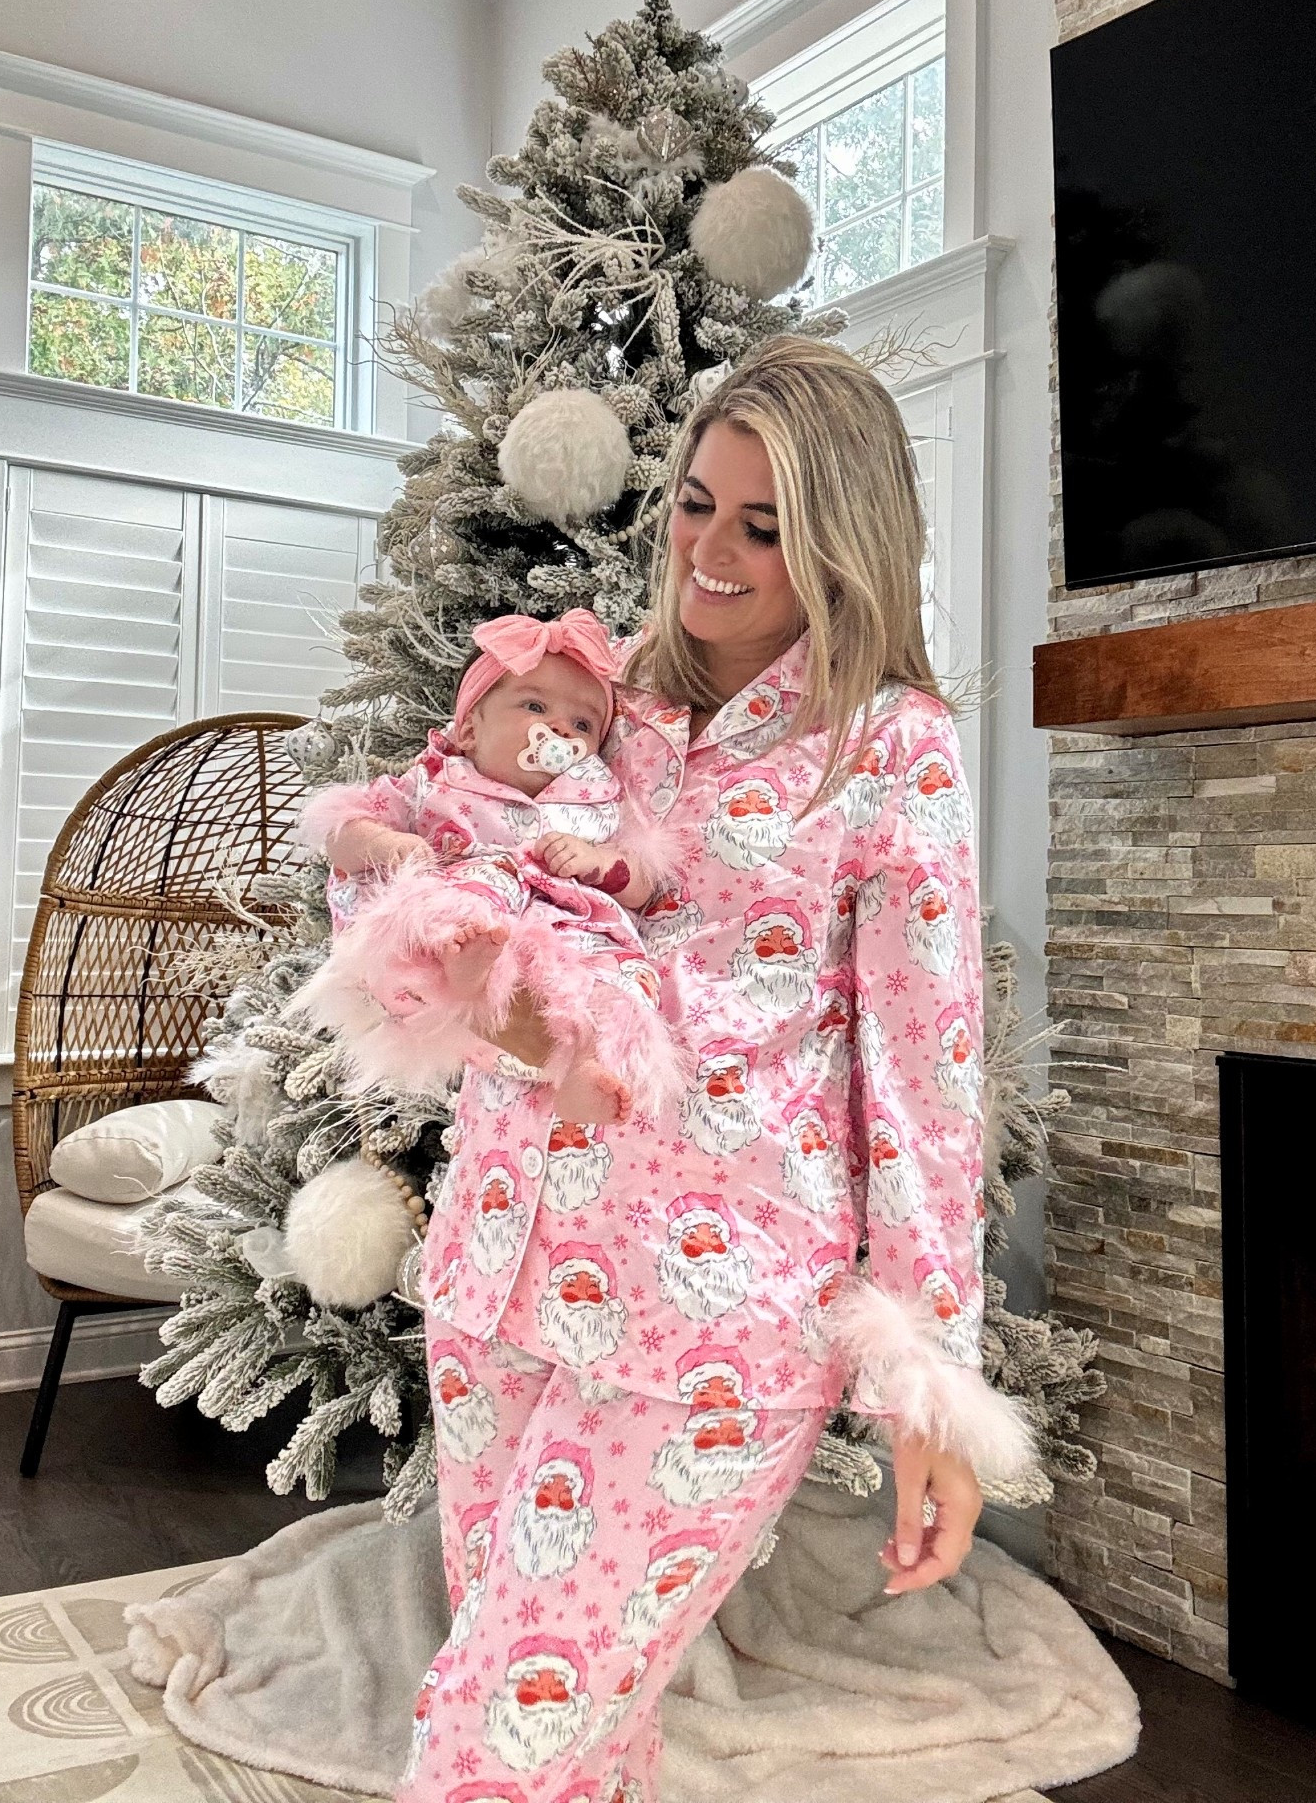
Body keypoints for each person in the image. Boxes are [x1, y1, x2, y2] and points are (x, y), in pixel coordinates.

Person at [400, 336, 1036, 1803]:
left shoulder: (891, 748)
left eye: (766, 524)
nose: (715, 553)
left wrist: (927, 1391)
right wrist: (468, 988)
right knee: (572, 1729)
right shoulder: (602, 702)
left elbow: (929, 1082)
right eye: (697, 504)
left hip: (710, 1324)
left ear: (843, 540)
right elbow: (434, 861)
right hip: (501, 1261)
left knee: (487, 1753)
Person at [292, 608, 687, 1134]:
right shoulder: (438, 780)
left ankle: (584, 1064)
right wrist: (394, 845)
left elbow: (639, 887)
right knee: (441, 902)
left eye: (583, 723)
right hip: (467, 904)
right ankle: (464, 965)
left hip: (568, 930)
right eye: (534, 705)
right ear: (472, 730)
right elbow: (342, 833)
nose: (559, 729)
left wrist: (600, 864)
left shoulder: (596, 797)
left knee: (629, 978)